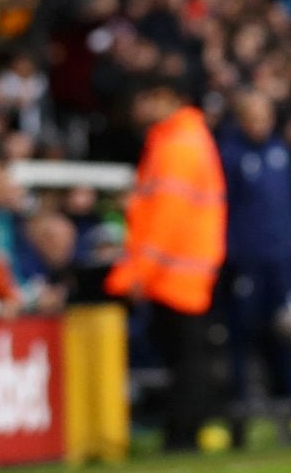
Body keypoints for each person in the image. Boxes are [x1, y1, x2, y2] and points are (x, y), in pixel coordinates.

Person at [106, 77, 226, 452]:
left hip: (174, 272)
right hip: (186, 268)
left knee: (184, 360)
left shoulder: (177, 145)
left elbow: (166, 219)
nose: (137, 109)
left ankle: (182, 435)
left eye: (143, 99)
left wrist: (141, 272)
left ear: (163, 98)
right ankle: (191, 430)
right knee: (188, 357)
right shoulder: (186, 139)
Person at [217, 93, 291, 427]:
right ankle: (241, 405)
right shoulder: (230, 155)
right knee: (242, 333)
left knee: (288, 330)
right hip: (246, 261)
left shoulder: (280, 151)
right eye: (253, 117)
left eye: (265, 116)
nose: (260, 124)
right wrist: (234, 254)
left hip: (280, 261)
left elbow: (289, 203)